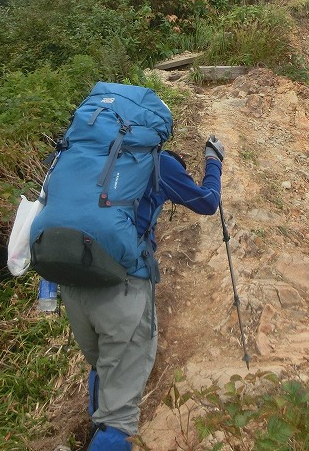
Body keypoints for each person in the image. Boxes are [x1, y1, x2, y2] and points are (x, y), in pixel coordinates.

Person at [60, 135, 225, 451]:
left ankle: (96, 431)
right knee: (121, 419)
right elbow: (208, 201)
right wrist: (214, 162)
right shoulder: (161, 164)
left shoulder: (92, 155)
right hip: (122, 288)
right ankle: (106, 435)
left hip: (74, 283)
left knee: (104, 366)